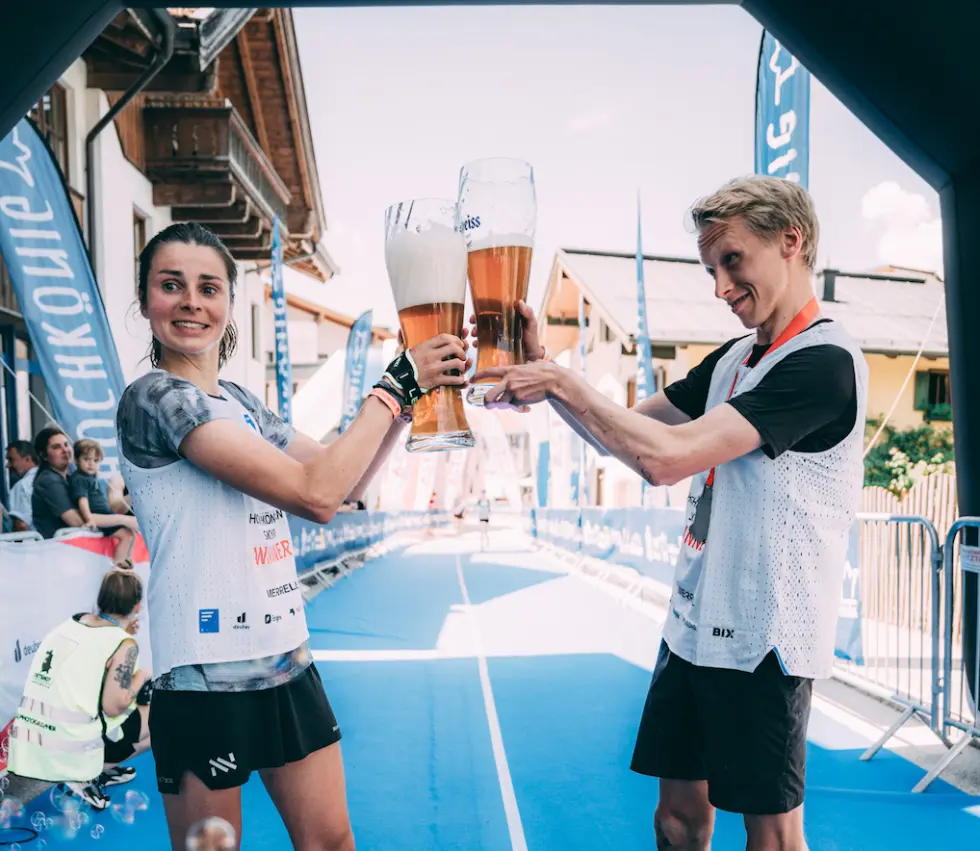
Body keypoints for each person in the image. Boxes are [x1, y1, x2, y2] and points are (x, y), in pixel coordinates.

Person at [475, 176, 868, 851]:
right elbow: (629, 432)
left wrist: (563, 382)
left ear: (791, 240)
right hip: (691, 624)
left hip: (765, 640)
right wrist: (544, 371)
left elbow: (667, 458)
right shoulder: (737, 356)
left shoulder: (825, 363)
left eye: (732, 261)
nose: (720, 286)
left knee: (772, 837)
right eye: (711, 268)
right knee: (677, 820)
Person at [116, 222, 469, 851]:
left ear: (227, 306)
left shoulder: (240, 400)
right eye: (172, 286)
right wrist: (395, 387)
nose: (191, 301)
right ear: (145, 301)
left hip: (285, 658)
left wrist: (410, 398)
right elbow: (315, 495)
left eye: (209, 287)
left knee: (332, 843)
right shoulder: (155, 399)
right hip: (202, 674)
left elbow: (345, 480)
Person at [7, 568, 152, 810]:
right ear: (137, 606)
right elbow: (114, 705)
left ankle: (96, 770)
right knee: (163, 717)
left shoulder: (71, 624)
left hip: (31, 749)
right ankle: (89, 774)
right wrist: (142, 675)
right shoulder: (123, 644)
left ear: (100, 600)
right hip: (71, 752)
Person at [69, 438, 139, 568]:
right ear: (76, 460)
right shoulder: (80, 479)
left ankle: (127, 561)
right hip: (98, 514)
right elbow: (82, 500)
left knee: (131, 535)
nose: (91, 464)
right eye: (86, 459)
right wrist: (89, 519)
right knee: (127, 537)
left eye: (95, 461)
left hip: (105, 513)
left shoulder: (90, 477)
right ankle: (118, 566)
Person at [5, 440, 39, 532]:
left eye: (11, 460)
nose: (7, 465)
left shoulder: (22, 486)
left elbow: (22, 525)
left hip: (32, 544)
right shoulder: (46, 478)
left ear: (27, 459)